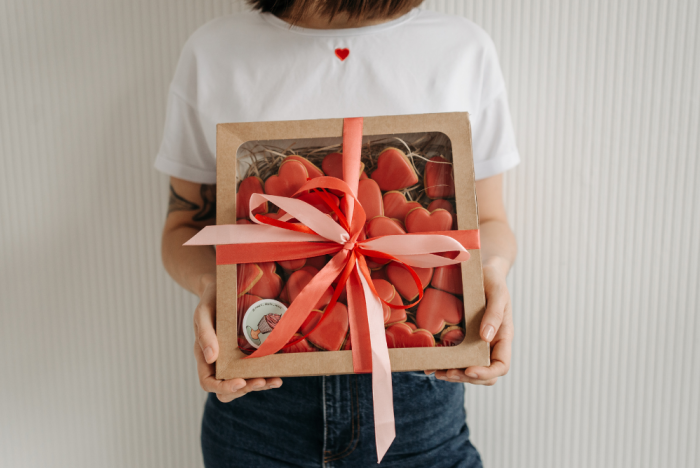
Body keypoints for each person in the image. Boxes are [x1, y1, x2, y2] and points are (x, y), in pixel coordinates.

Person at [156, 1, 518, 466]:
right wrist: (217, 290)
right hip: (261, 400)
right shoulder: (214, 52)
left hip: (418, 391)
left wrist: (491, 275)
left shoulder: (462, 49)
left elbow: (489, 222)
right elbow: (183, 225)